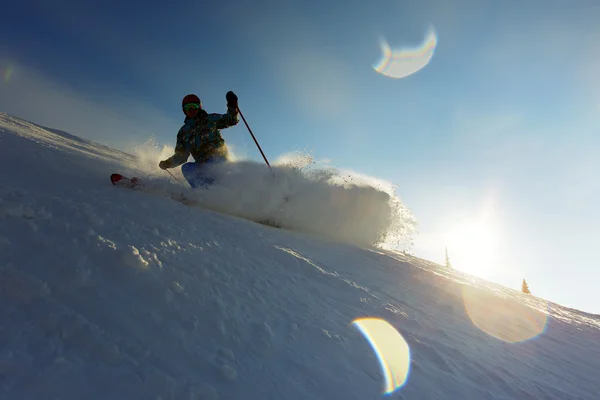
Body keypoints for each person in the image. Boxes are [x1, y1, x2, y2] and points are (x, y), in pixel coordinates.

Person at [159, 91, 239, 188]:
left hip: (219, 160)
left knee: (214, 163)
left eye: (194, 106)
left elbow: (231, 120)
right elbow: (181, 155)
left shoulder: (210, 119)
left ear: (199, 107)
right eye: (188, 108)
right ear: (184, 111)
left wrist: (232, 106)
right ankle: (204, 194)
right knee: (187, 168)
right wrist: (168, 163)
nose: (192, 110)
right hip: (202, 165)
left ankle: (222, 190)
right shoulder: (183, 132)